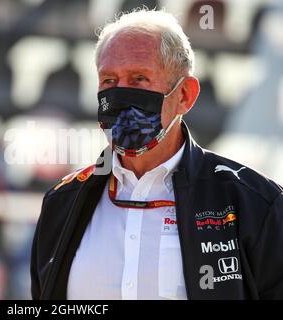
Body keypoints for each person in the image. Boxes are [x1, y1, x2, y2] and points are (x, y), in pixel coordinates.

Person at [30, 8, 283, 300]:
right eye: (109, 81)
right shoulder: (62, 202)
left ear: (185, 96)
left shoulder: (256, 203)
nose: (120, 96)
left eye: (139, 79)